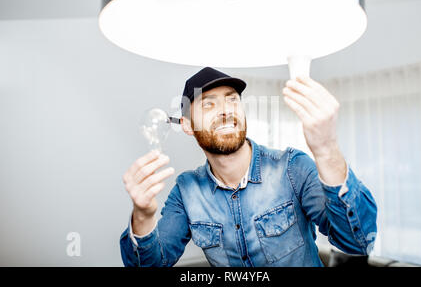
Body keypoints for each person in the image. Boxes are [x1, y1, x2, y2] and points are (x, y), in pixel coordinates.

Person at [120, 67, 377, 267]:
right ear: (187, 125)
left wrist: (327, 150)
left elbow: (357, 241)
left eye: (231, 100)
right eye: (208, 103)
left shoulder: (292, 167)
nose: (225, 111)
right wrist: (142, 216)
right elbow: (152, 263)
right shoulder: (186, 191)